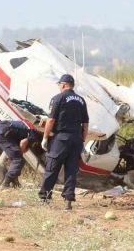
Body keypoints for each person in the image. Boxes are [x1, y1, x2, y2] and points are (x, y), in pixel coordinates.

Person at [38, 74, 89, 210]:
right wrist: (82, 140)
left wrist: (45, 137)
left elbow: (51, 120)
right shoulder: (81, 100)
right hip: (76, 139)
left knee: (52, 167)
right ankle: (68, 201)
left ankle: (45, 197)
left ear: (62, 85)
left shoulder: (58, 98)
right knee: (71, 170)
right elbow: (85, 124)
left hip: (61, 138)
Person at [0, 120, 42, 190]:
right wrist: (18, 156)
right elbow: (23, 143)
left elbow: (24, 147)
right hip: (4, 132)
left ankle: (14, 182)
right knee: (18, 160)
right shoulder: (35, 134)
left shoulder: (27, 128)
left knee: (17, 159)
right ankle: (6, 184)